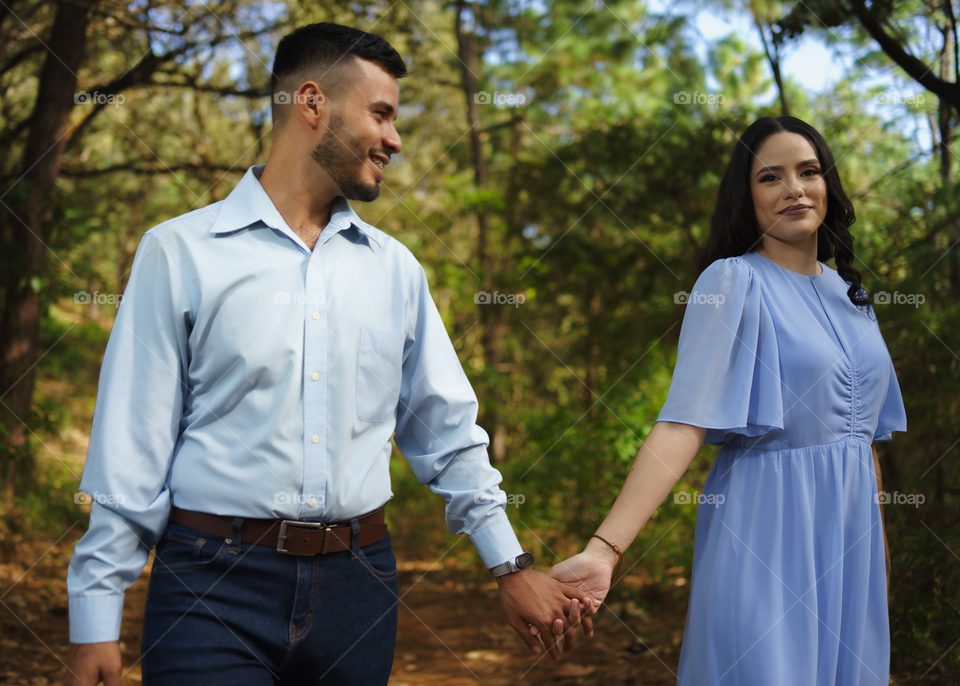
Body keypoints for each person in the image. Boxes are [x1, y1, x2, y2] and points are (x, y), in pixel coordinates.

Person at [65, 22, 593, 686]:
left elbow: (447, 432)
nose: (395, 139)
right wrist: (94, 617)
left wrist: (508, 564)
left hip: (359, 587)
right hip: (209, 587)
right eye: (381, 113)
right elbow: (131, 447)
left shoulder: (395, 270)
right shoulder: (179, 252)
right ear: (312, 104)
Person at [550, 116, 906, 684]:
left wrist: (877, 578)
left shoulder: (855, 297)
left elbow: (865, 450)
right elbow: (682, 423)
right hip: (766, 530)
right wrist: (604, 551)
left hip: (851, 547)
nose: (794, 188)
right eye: (771, 177)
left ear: (828, 185)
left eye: (808, 171)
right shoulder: (732, 281)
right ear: (748, 197)